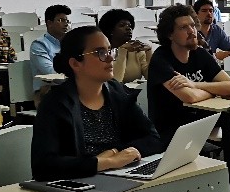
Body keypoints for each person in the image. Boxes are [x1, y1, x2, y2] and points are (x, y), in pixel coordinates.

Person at [31, 26, 164, 181]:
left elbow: (153, 139)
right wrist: (106, 162)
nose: (110, 58)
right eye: (100, 53)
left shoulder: (117, 92)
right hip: (79, 183)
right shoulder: (55, 104)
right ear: (75, 63)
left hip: (117, 176)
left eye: (110, 51)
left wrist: (114, 152)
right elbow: (43, 167)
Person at [147, 4, 230, 145]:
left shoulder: (200, 54)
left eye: (193, 25)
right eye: (183, 28)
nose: (191, 31)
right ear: (170, 34)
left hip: (199, 119)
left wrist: (194, 84)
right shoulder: (161, 59)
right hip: (172, 128)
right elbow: (190, 97)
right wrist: (215, 92)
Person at [29, 4, 70, 106]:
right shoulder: (39, 45)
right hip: (46, 94)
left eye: (67, 21)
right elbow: (51, 73)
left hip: (69, 89)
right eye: (61, 20)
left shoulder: (70, 43)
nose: (66, 24)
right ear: (49, 23)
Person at [98, 8, 152, 83]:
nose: (128, 28)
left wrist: (149, 52)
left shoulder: (136, 51)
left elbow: (151, 77)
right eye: (122, 25)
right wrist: (122, 49)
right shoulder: (103, 53)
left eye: (130, 26)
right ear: (110, 30)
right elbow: (115, 81)